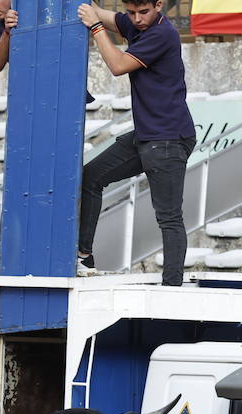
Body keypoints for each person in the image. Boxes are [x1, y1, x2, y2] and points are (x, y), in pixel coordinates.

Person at [76, 0, 195, 286]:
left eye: (144, 12)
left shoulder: (162, 34)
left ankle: (172, 287)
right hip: (145, 135)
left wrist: (93, 26)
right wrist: (87, 9)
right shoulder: (138, 22)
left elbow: (118, 65)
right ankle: (84, 255)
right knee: (91, 176)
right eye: (131, 13)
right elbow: (105, 15)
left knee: (168, 217)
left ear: (159, 5)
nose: (137, 19)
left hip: (168, 139)